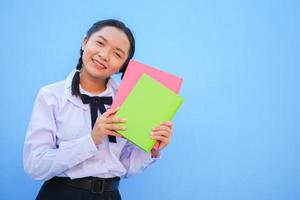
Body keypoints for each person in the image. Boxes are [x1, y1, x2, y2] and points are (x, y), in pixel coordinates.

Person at [23, 19, 173, 200]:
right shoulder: (51, 95)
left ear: (124, 65)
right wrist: (92, 139)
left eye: (117, 54)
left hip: (109, 195)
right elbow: (35, 165)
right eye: (100, 43)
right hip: (61, 193)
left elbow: (125, 166)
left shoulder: (130, 100)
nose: (104, 55)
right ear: (85, 42)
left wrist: (152, 149)